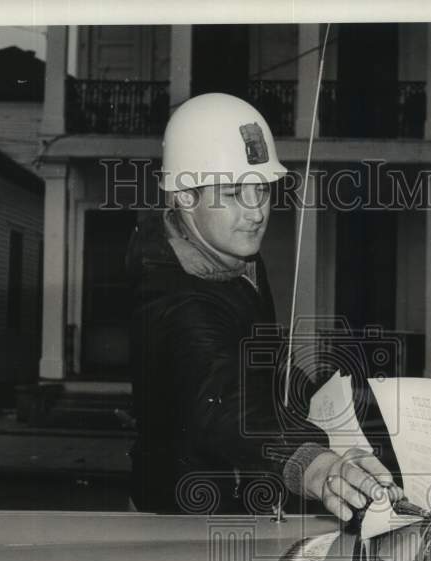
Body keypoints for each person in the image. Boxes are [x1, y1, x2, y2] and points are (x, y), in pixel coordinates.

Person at [127, 93, 402, 519]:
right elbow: (219, 397)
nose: (256, 212)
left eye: (262, 190)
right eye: (235, 193)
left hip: (240, 499)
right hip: (189, 522)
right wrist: (311, 463)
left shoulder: (234, 258)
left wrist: (316, 395)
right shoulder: (172, 299)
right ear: (184, 196)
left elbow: (260, 363)